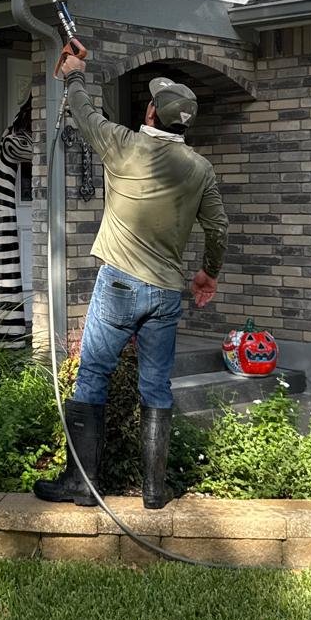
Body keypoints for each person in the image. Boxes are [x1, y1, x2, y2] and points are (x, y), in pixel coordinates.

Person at [34, 57, 229, 510]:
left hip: (119, 284)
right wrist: (209, 273)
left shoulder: (124, 145)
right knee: (156, 385)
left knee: (93, 375)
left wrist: (74, 73)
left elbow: (84, 111)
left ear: (151, 113)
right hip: (165, 292)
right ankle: (154, 491)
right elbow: (218, 227)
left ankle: (82, 485)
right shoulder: (200, 168)